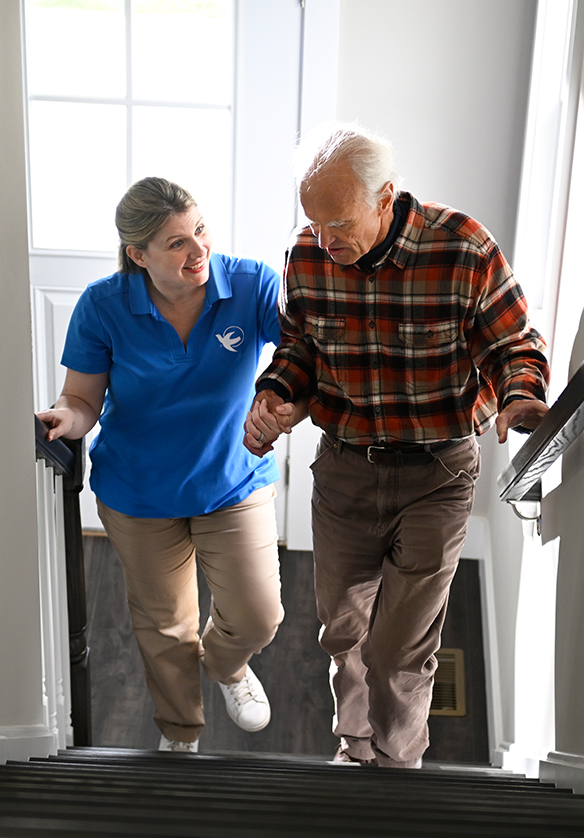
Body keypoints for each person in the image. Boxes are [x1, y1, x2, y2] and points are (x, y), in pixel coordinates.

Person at [244, 123, 550, 769]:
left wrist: (520, 396)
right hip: (346, 467)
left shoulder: (462, 247)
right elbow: (299, 346)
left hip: (437, 473)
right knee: (343, 632)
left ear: (386, 197)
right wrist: (274, 395)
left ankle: (398, 766)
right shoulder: (307, 254)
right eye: (314, 224)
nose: (325, 241)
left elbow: (512, 343)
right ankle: (354, 752)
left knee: (399, 651)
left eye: (339, 223)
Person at [38, 176, 285, 752]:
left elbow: (298, 356)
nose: (198, 250)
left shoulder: (250, 284)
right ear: (138, 254)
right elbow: (81, 400)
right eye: (176, 243)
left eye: (200, 231)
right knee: (165, 627)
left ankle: (227, 667)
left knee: (258, 616)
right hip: (139, 491)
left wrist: (280, 401)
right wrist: (64, 422)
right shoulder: (103, 304)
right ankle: (181, 739)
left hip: (231, 481)